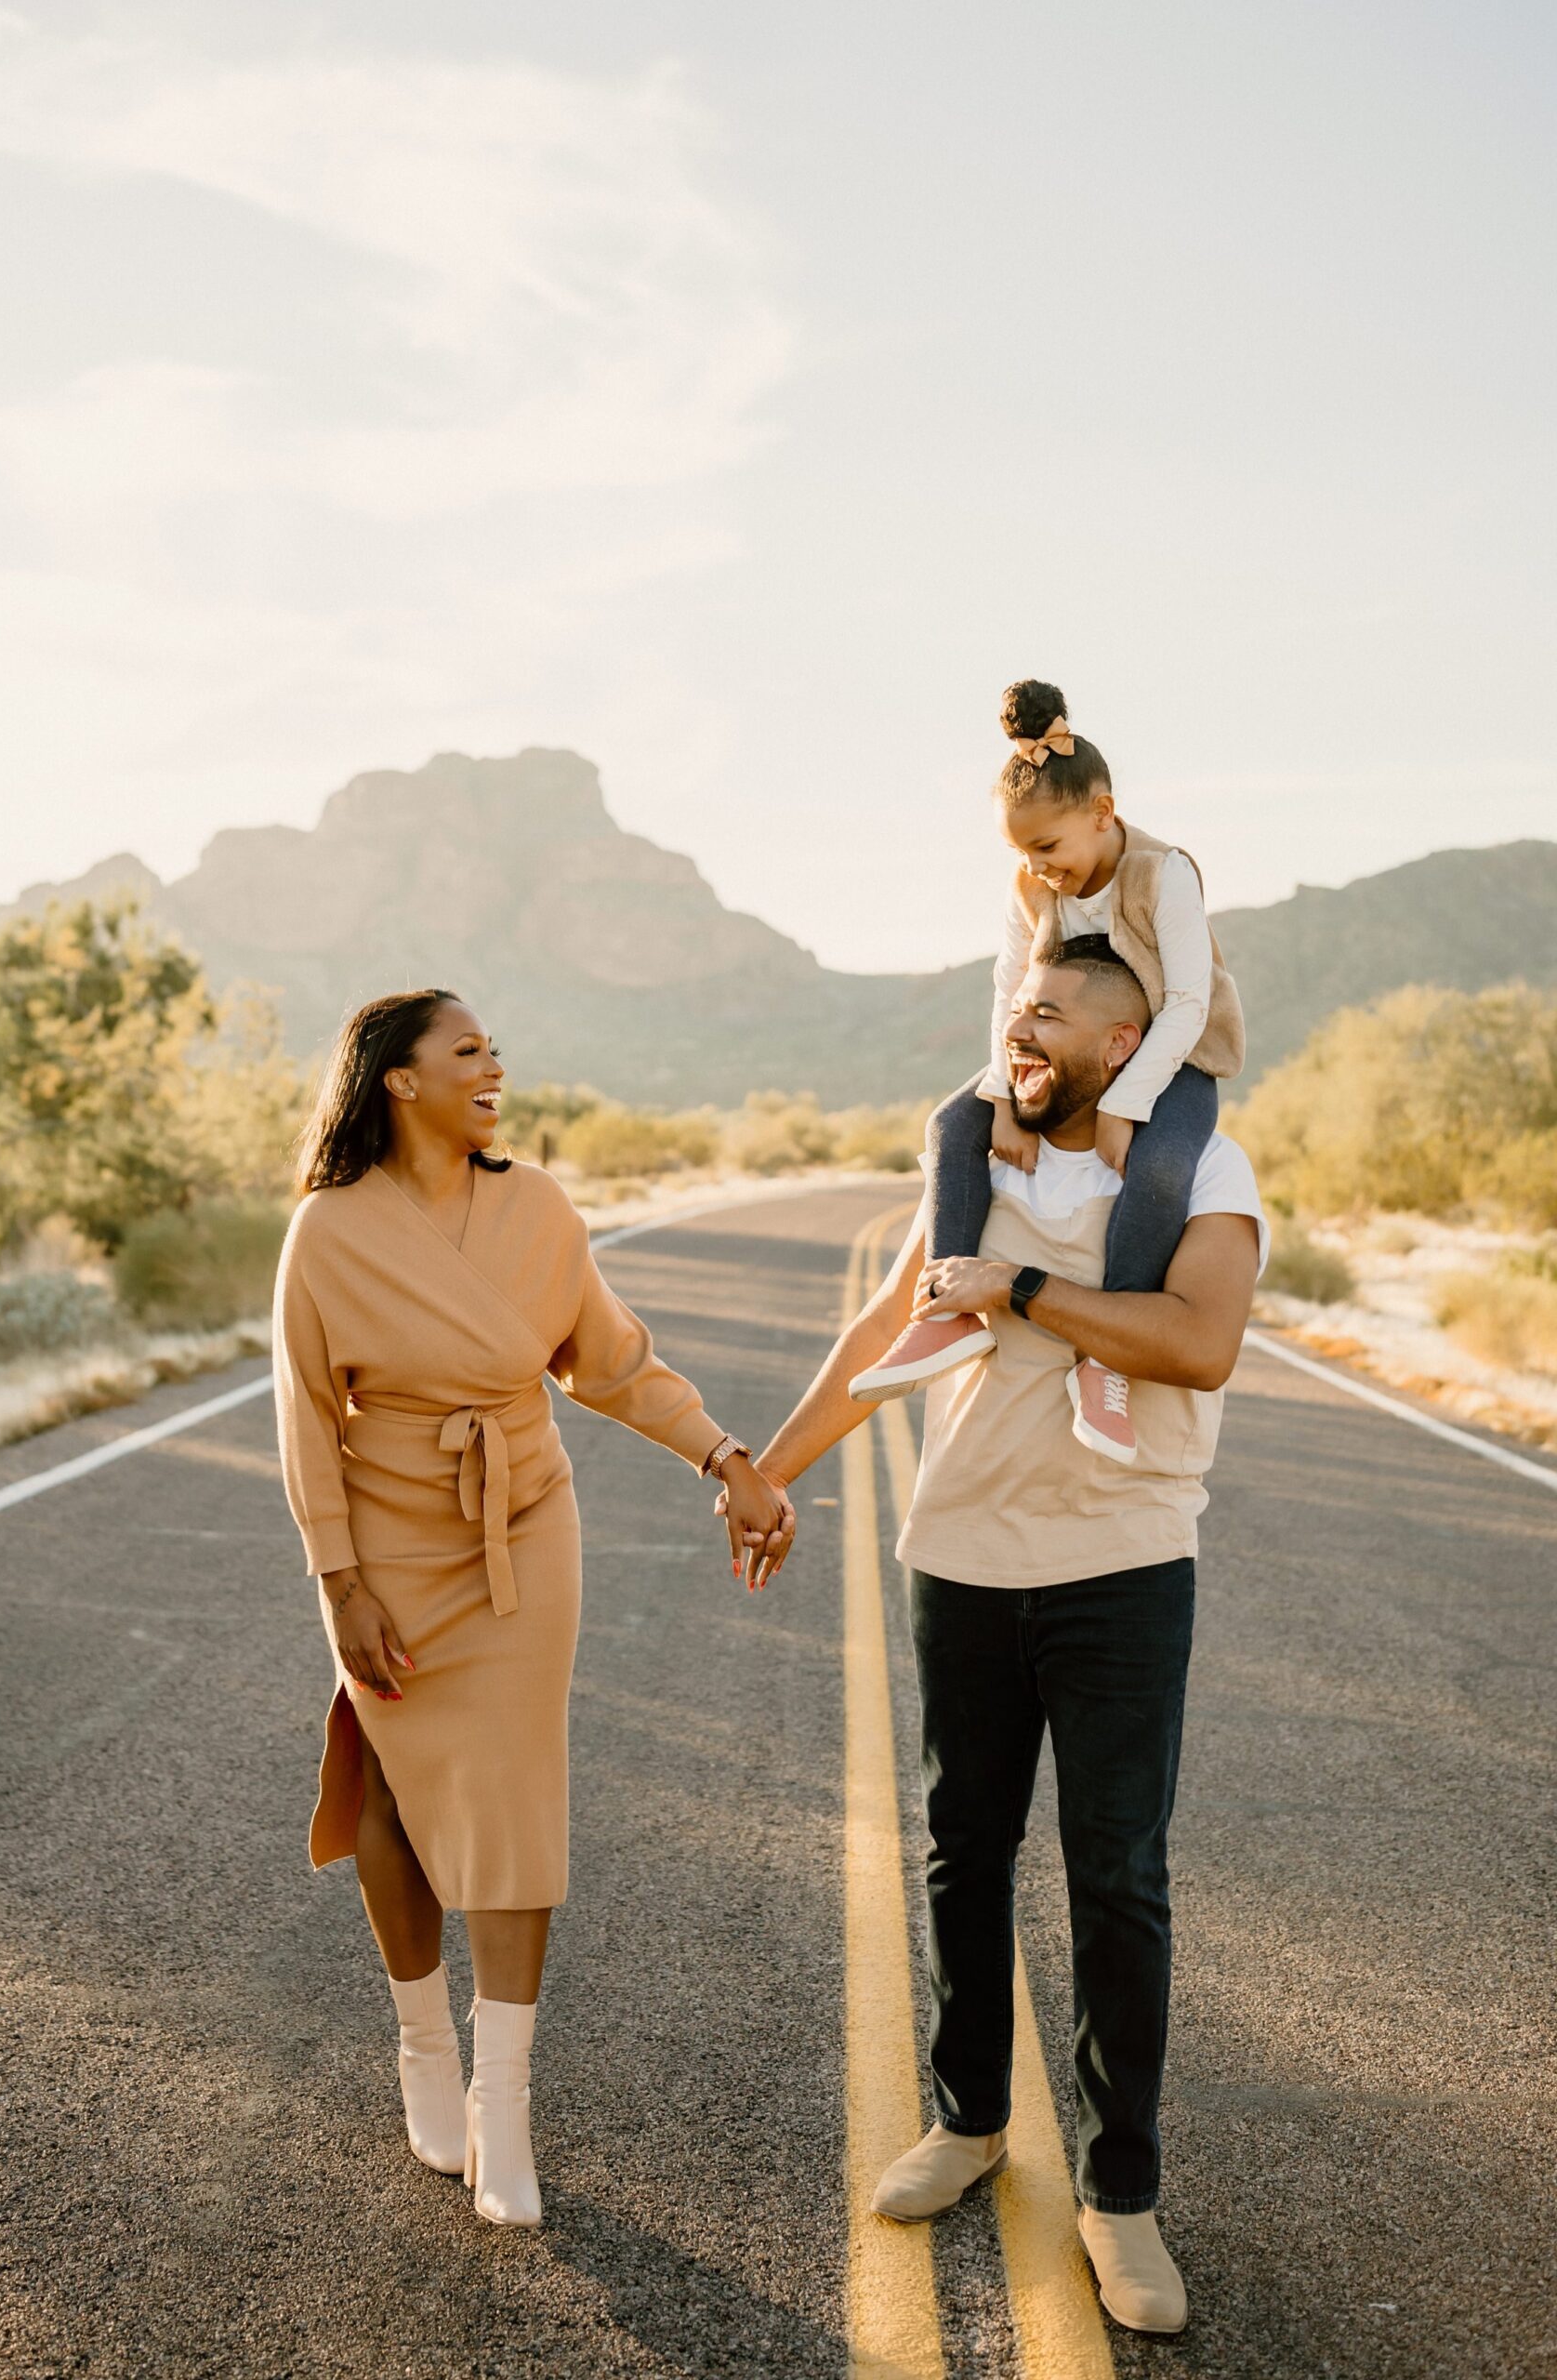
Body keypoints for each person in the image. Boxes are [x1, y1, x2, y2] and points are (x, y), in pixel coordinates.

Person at [749, 936, 1266, 2334]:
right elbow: (886, 1317)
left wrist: (1023, 1294)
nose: (1015, 1032)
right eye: (1011, 1010)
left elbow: (1199, 1342)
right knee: (963, 1852)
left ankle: (1120, 2197)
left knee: (1120, 1884)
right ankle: (971, 2121)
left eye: (1046, 1014)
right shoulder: (973, 1158)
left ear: (1125, 1043)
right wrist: (770, 1471)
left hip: (1122, 1565)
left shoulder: (1198, 1172)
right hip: (963, 1558)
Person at [271, 989, 792, 2228]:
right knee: (395, 1788)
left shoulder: (537, 1205)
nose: (494, 1067)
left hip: (521, 1529)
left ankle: (504, 2103)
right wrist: (338, 1580)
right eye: (468, 1052)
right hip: (388, 1535)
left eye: (496, 1049)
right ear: (399, 1081)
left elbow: (608, 1360)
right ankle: (425, 2053)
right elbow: (302, 1413)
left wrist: (727, 1458)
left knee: (512, 1800)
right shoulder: (328, 1232)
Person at [851, 680, 1246, 1470]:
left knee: (1162, 1168)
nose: (1041, 869)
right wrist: (1000, 1094)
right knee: (948, 1126)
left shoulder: (1163, 873)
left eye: (1050, 848)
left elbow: (1191, 1002)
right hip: (1065, 1051)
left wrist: (1125, 1105)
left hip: (1178, 1053)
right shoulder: (1031, 883)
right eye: (1023, 854)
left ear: (1102, 814)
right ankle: (945, 1311)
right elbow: (1009, 988)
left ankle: (1109, 1356)